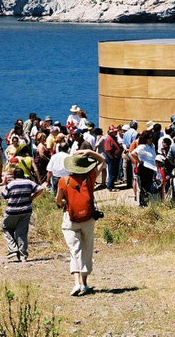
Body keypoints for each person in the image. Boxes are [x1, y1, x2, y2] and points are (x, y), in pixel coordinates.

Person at [56, 150, 105, 296]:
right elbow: (102, 160)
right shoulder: (90, 177)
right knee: (87, 250)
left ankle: (77, 283)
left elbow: (58, 201)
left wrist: (65, 201)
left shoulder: (63, 181)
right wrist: (90, 151)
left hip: (70, 219)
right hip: (88, 219)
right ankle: (84, 283)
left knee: (75, 251)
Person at [1, 168, 43, 262]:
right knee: (22, 233)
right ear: (23, 174)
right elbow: (40, 189)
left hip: (12, 211)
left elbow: (3, 195)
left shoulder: (11, 184)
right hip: (26, 210)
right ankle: (23, 256)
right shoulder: (29, 182)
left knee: (6, 228)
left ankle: (13, 249)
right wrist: (32, 197)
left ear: (14, 176)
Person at [130, 130, 157, 207]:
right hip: (144, 168)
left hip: (151, 168)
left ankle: (148, 202)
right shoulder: (142, 146)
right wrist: (139, 161)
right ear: (145, 139)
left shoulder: (152, 146)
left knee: (149, 186)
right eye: (149, 138)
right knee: (143, 187)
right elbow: (133, 153)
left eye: (151, 137)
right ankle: (142, 203)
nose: (151, 139)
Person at [104, 125, 123, 192]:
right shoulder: (108, 139)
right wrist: (112, 158)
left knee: (115, 172)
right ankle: (110, 187)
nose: (116, 132)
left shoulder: (114, 137)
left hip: (115, 158)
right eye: (114, 131)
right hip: (111, 158)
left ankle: (112, 185)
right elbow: (107, 150)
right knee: (112, 172)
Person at [122, 120, 138, 189]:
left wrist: (125, 149)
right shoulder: (135, 133)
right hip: (132, 151)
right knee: (133, 167)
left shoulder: (126, 133)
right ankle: (134, 183)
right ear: (135, 126)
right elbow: (134, 143)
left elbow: (123, 143)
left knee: (128, 168)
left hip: (127, 151)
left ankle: (129, 183)